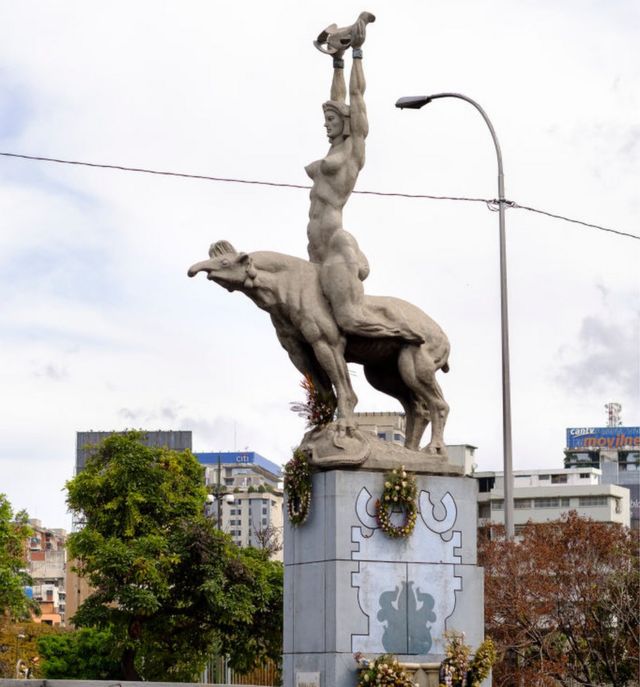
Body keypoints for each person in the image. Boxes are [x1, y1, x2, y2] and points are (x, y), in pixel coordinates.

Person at [305, 20, 424, 344]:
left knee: (348, 320)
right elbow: (338, 96)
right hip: (315, 249)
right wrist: (336, 60)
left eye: (331, 121)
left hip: (334, 245)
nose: (326, 126)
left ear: (346, 124)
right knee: (312, 328)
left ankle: (404, 337)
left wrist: (357, 52)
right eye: (325, 120)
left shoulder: (352, 151)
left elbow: (355, 97)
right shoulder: (333, 148)